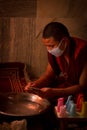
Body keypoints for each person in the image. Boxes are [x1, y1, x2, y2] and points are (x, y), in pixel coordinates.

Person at [24, 22, 87, 103]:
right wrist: (35, 85)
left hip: (81, 89)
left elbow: (82, 86)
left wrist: (55, 92)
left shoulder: (83, 51)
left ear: (65, 41)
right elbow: (49, 76)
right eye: (46, 46)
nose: (49, 50)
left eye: (51, 45)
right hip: (68, 84)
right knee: (40, 95)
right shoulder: (56, 52)